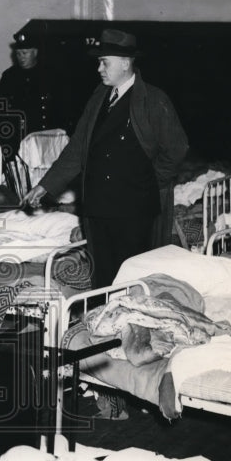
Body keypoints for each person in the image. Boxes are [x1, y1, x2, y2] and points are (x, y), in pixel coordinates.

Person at [23, 28, 188, 288]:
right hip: (98, 208)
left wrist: (147, 183)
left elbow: (177, 148)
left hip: (134, 211)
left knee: (132, 279)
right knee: (102, 280)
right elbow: (77, 148)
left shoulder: (153, 100)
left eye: (104, 62)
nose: (99, 68)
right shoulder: (99, 97)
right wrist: (47, 184)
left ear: (125, 63)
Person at [0, 31, 66, 158]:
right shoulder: (10, 76)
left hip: (41, 141)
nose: (21, 57)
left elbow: (61, 108)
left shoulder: (49, 75)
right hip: (14, 140)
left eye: (25, 53)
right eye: (18, 53)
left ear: (35, 52)